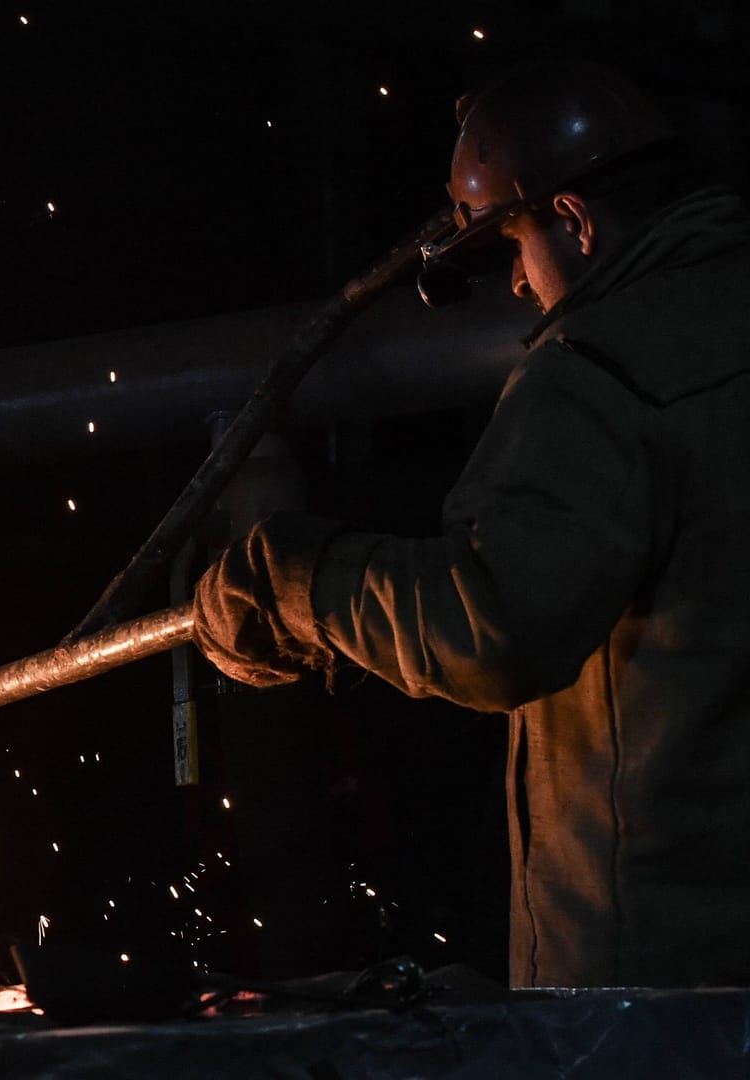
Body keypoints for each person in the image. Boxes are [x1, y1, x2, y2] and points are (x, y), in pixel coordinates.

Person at [194, 58, 750, 987]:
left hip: (660, 983)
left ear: (573, 220)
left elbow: (499, 625)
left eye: (515, 250)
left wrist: (298, 585)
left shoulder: (600, 371)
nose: (523, 290)